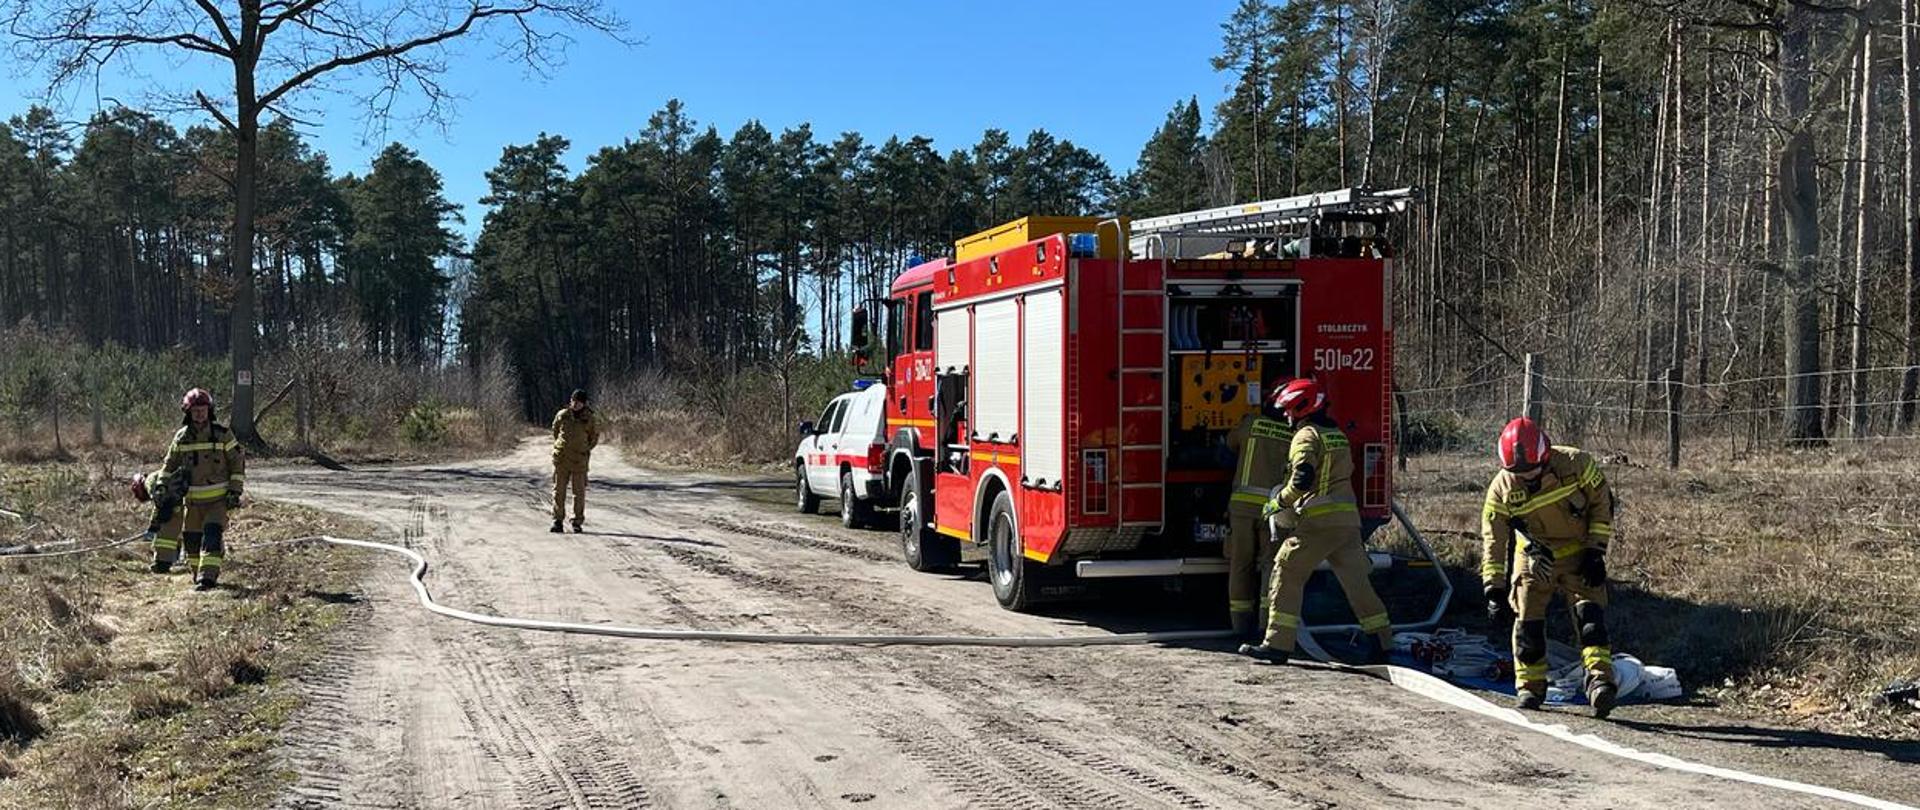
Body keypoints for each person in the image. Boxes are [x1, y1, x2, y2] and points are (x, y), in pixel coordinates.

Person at [1239, 379, 1394, 665]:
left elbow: (1302, 478)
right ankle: (1382, 642)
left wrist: (1280, 502)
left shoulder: (1306, 435)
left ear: (1301, 407)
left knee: (1286, 570)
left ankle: (1277, 644)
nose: (1286, 416)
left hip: (1318, 524)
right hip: (1348, 525)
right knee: (1358, 584)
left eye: (1288, 411)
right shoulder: (1336, 434)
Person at [1480, 417, 1619, 717]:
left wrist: (1596, 552)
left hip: (1580, 552)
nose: (1526, 478)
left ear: (1545, 455)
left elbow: (1602, 504)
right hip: (1534, 556)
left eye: (1531, 471)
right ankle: (1530, 688)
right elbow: (1493, 537)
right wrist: (1494, 587)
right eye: (1518, 473)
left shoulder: (1576, 464)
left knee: (1590, 619)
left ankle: (1600, 683)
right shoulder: (1502, 487)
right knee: (1527, 622)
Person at [1224, 388, 1294, 640]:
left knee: (1240, 563)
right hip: (1273, 510)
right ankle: (1266, 626)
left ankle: (1240, 625)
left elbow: (1230, 443)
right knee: (1270, 567)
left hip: (1242, 508)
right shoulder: (1294, 433)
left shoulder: (1251, 424)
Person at [160, 388, 245, 590]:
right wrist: (162, 487)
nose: (200, 413)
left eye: (203, 409)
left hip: (217, 501)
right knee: (192, 541)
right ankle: (198, 574)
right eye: (195, 410)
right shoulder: (181, 438)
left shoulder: (223, 435)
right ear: (188, 412)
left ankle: (208, 578)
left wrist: (235, 490)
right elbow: (169, 465)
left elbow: (237, 463)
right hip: (192, 503)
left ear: (210, 410)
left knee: (212, 534)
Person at [551, 388, 599, 533]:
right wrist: (561, 446)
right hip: (562, 458)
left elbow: (593, 437)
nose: (575, 404)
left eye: (579, 402)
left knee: (579, 493)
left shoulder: (589, 418)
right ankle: (557, 520)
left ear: (584, 403)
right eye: (573, 401)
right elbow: (555, 430)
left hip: (579, 460)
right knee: (558, 491)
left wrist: (584, 449)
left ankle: (577, 522)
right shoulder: (562, 415)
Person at [131, 466, 189, 562]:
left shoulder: (149, 483)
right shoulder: (153, 478)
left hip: (177, 497)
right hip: (182, 496)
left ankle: (164, 561)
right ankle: (176, 558)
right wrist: (153, 525)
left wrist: (155, 525)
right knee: (177, 529)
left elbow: (160, 503)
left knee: (166, 531)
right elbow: (158, 505)